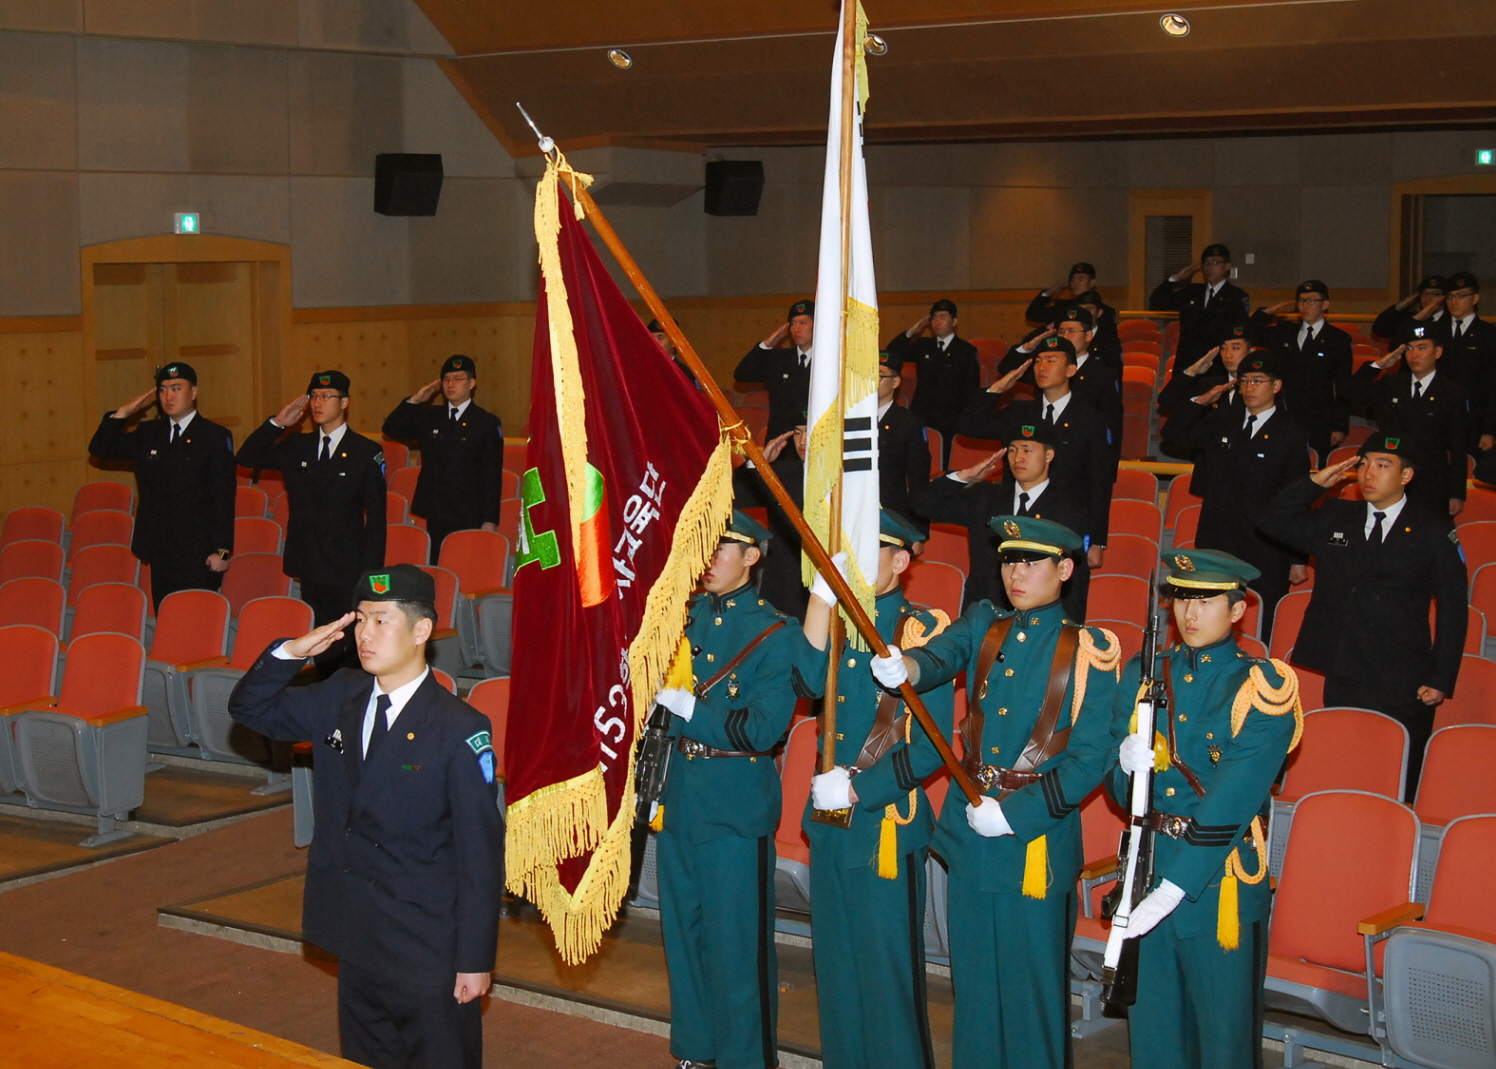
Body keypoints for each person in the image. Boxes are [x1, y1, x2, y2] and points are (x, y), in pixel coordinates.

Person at [228, 564, 503, 1069]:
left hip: (426, 944)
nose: (364, 635)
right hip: (355, 932)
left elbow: (480, 855)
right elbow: (249, 708)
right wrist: (291, 653)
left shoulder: (458, 727)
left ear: (421, 630)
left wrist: (474, 959)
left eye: (381, 621)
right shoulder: (339, 696)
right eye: (359, 621)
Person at [869, 517, 1120, 1069]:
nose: (1017, 573)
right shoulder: (985, 621)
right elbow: (942, 655)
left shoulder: (1088, 650)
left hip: (1034, 840)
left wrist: (1015, 816)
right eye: (1010, 560)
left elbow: (1089, 760)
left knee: (1031, 996)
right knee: (976, 990)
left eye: (1032, 562)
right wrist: (906, 664)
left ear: (1065, 569)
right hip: (970, 832)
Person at [1108, 549, 1302, 1069]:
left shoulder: (1263, 685)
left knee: (1222, 1036)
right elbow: (1117, 784)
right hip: (1149, 864)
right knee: (1153, 1029)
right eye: (1181, 599)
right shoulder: (1147, 671)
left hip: (1219, 880)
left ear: (1238, 610)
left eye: (1206, 600)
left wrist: (1176, 887)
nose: (1189, 614)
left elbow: (1235, 796)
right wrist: (1125, 767)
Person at [650, 511, 810, 1069]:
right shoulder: (681, 616)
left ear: (753, 556)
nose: (709, 558)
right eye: (703, 546)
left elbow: (764, 729)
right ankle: (695, 1049)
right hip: (678, 795)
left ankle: (745, 1059)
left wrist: (692, 709)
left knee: (737, 944)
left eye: (723, 548)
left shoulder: (775, 631)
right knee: (683, 934)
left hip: (735, 803)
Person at [798, 510, 954, 1069]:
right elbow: (807, 682)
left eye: (873, 551)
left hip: (885, 823)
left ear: (900, 561)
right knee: (836, 972)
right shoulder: (836, 620)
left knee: (888, 977)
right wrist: (819, 601)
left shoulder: (920, 633)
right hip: (829, 823)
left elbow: (934, 745)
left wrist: (861, 791)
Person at [1257, 433, 1467, 796]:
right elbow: (1271, 521)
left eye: (1383, 465)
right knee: (1343, 762)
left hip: (1403, 673)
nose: (1369, 472)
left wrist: (1442, 676)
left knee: (1394, 772)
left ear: (1406, 476)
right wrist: (1312, 483)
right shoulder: (1338, 516)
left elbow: (1453, 607)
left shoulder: (1433, 529)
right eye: (1364, 462)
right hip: (1344, 664)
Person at [238, 370, 386, 670]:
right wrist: (278, 423)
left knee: (347, 645)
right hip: (309, 561)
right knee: (319, 642)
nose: (318, 403)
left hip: (348, 566)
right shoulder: (297, 447)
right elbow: (247, 456)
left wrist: (371, 574)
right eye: (314, 397)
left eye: (327, 397)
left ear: (344, 402)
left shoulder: (366, 452)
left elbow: (378, 519)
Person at [1158, 352, 1310, 640]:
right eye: (1243, 382)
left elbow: (1297, 498)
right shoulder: (1223, 422)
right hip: (1219, 537)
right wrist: (1201, 401)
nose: (1249, 388)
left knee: (1258, 622)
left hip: (1266, 543)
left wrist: (1297, 557)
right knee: (1212, 614)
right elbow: (1173, 433)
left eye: (1257, 381)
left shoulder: (1291, 433)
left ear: (1276, 386)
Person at [959, 335, 1114, 582]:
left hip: (1065, 524)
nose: (1042, 367)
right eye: (1038, 361)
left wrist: (1097, 540)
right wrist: (998, 388)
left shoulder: (1091, 419)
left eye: (1051, 361)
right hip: (1018, 521)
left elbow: (1099, 483)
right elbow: (969, 425)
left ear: (1071, 369)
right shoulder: (1019, 412)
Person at [87, 361, 236, 610]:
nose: (168, 396)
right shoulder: (148, 433)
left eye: (176, 388)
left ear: (194, 393)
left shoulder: (213, 436)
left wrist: (222, 553)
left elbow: (223, 498)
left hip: (198, 551)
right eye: (163, 389)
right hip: (159, 548)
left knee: (193, 619)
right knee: (165, 616)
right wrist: (123, 413)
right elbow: (101, 448)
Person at [911, 420, 1095, 618]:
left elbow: (1077, 578)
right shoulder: (986, 497)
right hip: (983, 615)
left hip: (1037, 621)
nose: (1018, 458)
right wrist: (965, 476)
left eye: (1027, 450)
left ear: (1048, 455)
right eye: (1013, 450)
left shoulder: (1068, 508)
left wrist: (1070, 630)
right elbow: (922, 504)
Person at [1340, 325, 1471, 521]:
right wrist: (1379, 366)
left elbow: (1459, 448)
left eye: (1422, 347)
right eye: (1409, 348)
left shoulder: (1452, 392)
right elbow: (1348, 392)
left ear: (1438, 352)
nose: (1414, 354)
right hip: (1391, 482)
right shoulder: (1391, 384)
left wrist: (1456, 493)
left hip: (1431, 483)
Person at [381, 355, 504, 563]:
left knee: (464, 564)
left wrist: (489, 520)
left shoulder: (485, 422)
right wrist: (414, 401)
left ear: (471, 383)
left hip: (469, 511)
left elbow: (491, 474)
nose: (451, 384)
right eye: (446, 379)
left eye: (458, 378)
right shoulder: (430, 416)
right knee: (437, 566)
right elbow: (391, 429)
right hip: (436, 508)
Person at [997, 307, 1123, 465]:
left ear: (1088, 335)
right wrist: (1027, 347)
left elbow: (1112, 422)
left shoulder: (1103, 373)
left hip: (1079, 454)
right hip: (1039, 454)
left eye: (1072, 331)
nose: (1065, 336)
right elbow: (1006, 369)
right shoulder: (1044, 368)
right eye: (1061, 331)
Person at [1248, 279, 1353, 465]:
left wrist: (1339, 426)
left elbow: (1343, 384)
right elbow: (1248, 333)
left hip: (1320, 418)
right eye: (1302, 301)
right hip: (1287, 414)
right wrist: (1266, 313)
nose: (1305, 306)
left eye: (1312, 300)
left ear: (1325, 305)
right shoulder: (1285, 332)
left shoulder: (1338, 339)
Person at [885, 298, 982, 467]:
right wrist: (913, 330)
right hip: (923, 412)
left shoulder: (965, 351)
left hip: (951, 416)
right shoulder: (923, 346)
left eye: (943, 317)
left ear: (954, 321)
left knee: (945, 463)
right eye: (934, 318)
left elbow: (971, 388)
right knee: (920, 459)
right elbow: (893, 351)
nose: (937, 322)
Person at [1158, 324, 1254, 477]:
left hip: (1248, 470)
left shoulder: (1264, 389)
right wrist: (1193, 371)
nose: (1228, 355)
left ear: (1251, 352)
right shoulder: (1208, 385)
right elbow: (1167, 401)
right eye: (1223, 348)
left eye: (1235, 348)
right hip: (1210, 472)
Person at [1149, 244, 1251, 370]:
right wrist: (1176, 279)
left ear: (1227, 266)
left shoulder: (1236, 296)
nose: (1209, 267)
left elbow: (1240, 331)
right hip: (1188, 362)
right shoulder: (1192, 292)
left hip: (1217, 365)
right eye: (1206, 263)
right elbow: (1157, 301)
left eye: (1215, 263)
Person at [734, 299, 814, 441]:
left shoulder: (828, 362)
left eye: (803, 323)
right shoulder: (779, 359)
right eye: (793, 324)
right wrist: (766, 345)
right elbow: (742, 374)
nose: (796, 329)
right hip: (780, 442)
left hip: (813, 439)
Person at [876, 353, 933, 527]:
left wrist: (918, 530)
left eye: (880, 375)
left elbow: (918, 479)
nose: (872, 380)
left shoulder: (909, 423)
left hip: (892, 516)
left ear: (895, 382)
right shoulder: (848, 419)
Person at [1439, 272, 1496, 445]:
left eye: (1461, 296)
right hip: (1438, 417)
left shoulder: (1488, 334)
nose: (1454, 301)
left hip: (1474, 419)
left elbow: (1492, 386)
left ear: (1475, 298)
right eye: (1450, 296)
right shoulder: (1435, 331)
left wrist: (1489, 430)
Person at [1024, 263, 1121, 364]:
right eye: (1073, 279)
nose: (1075, 283)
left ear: (1092, 282)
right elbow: (1033, 314)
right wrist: (1048, 294)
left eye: (1081, 278)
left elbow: (1107, 341)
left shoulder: (1105, 311)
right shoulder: (1064, 307)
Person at [1371, 275, 1449, 344]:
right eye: (1425, 293)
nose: (1428, 298)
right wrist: (1402, 304)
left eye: (1435, 294)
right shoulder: (1410, 319)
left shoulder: (1449, 321)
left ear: (1444, 297)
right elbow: (1380, 329)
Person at [648, 318, 700, 386]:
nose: (655, 342)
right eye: (651, 338)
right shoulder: (643, 371)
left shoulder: (683, 373)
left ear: (673, 342)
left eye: (660, 338)